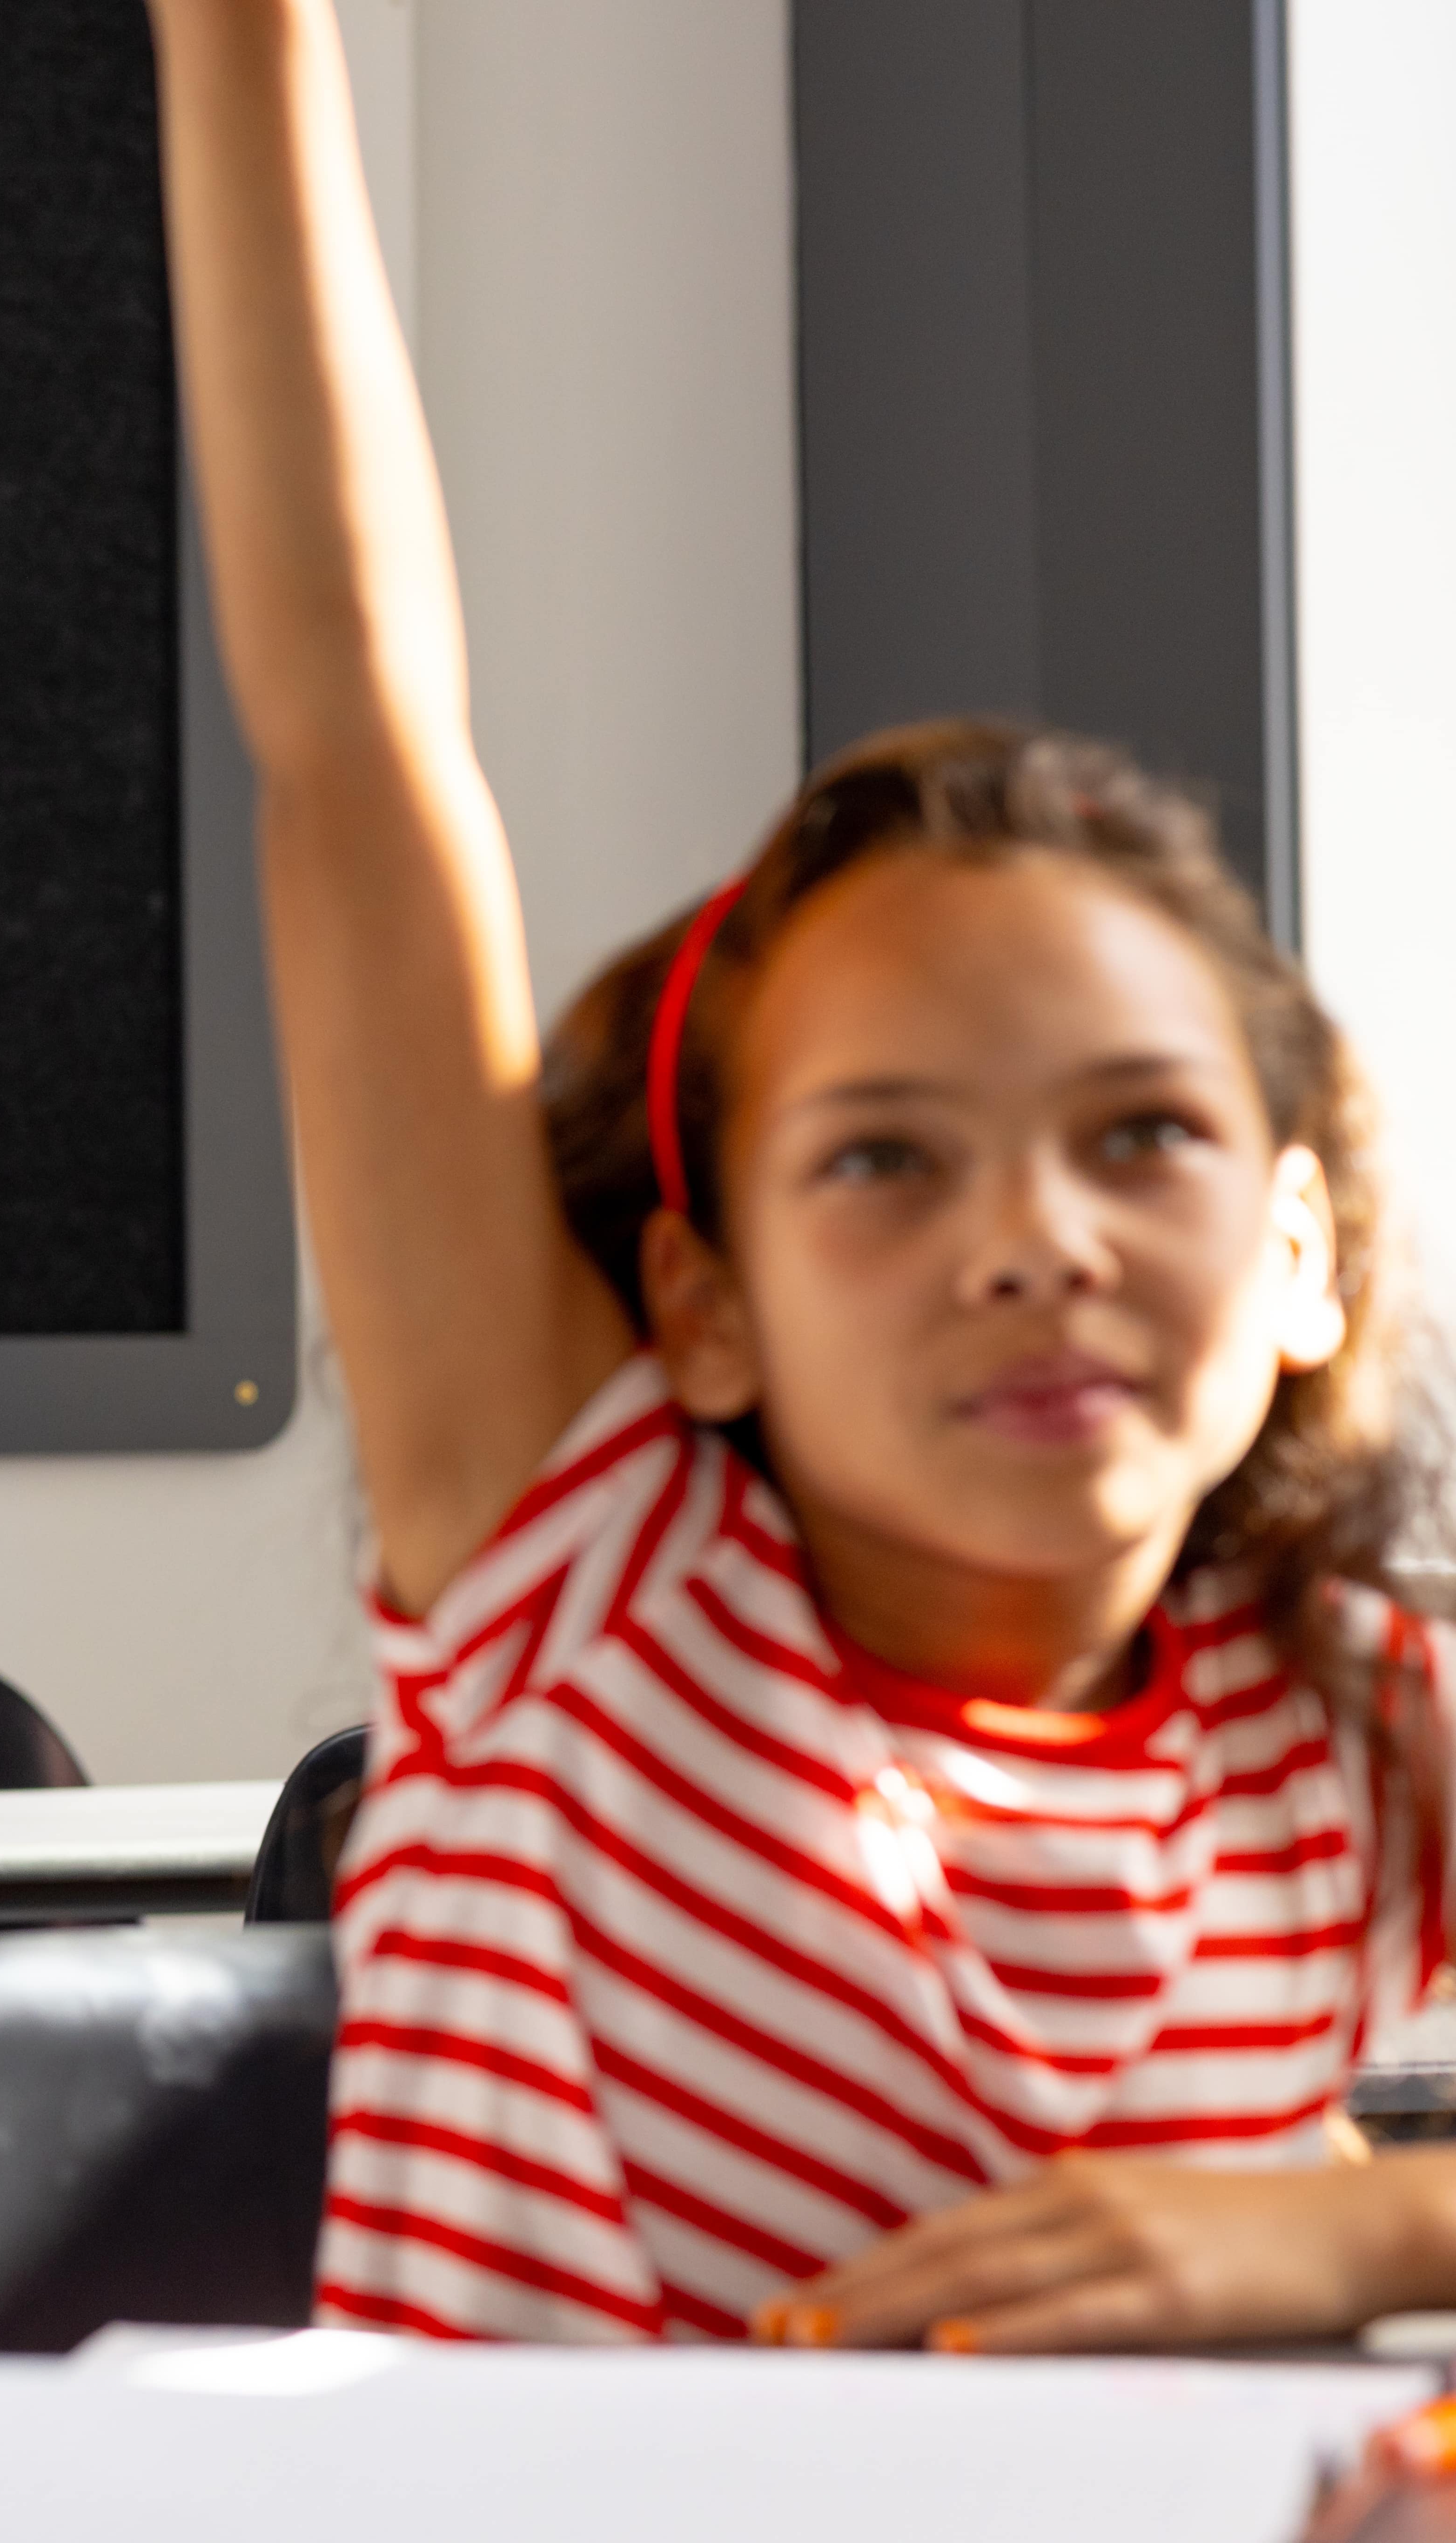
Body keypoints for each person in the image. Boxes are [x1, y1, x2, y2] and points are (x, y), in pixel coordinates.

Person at [150, 0, 1456, 2353]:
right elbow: (351, 727)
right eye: (879, 1159)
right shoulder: (586, 1574)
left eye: (1140, 1135)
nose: (1031, 1238)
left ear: (1295, 1254)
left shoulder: (1346, 1709)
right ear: (697, 1296)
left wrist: (1360, 2228)